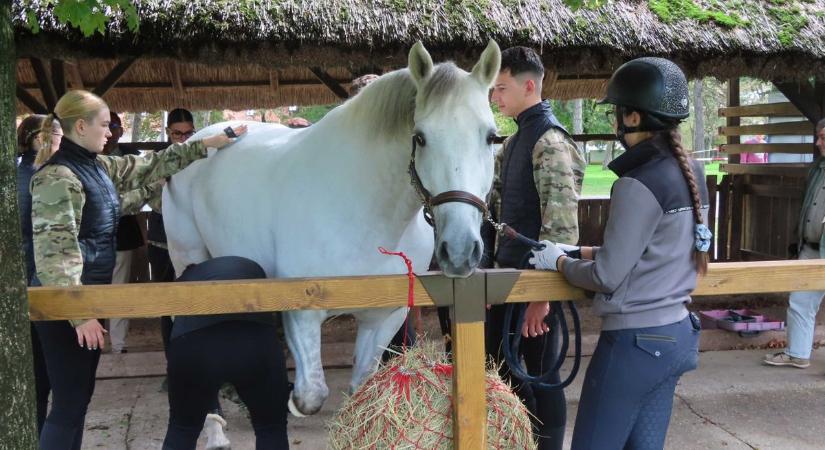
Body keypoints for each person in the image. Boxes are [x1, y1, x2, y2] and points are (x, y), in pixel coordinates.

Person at [30, 89, 247, 450]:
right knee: (68, 404)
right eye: (105, 125)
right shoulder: (57, 178)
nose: (110, 132)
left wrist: (209, 142)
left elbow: (149, 166)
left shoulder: (96, 166)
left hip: (84, 302)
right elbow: (56, 253)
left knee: (78, 402)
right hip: (65, 308)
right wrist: (79, 314)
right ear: (80, 126)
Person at [530, 57, 707, 449]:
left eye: (617, 112)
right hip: (676, 334)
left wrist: (558, 262)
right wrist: (578, 249)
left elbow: (607, 277)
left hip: (633, 344)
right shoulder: (693, 172)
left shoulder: (636, 184)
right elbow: (653, 250)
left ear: (631, 117)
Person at [486, 46, 585, 450]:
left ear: (530, 86)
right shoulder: (514, 142)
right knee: (501, 369)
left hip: (535, 286)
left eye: (502, 88)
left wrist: (542, 298)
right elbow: (497, 215)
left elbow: (561, 228)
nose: (495, 97)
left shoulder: (549, 140)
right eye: (493, 89)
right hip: (507, 281)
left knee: (542, 376)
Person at [162, 256, 290, 450]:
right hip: (254, 341)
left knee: (183, 428)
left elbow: (168, 334)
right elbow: (280, 319)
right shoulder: (254, 267)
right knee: (271, 428)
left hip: (195, 345)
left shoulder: (184, 279)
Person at [764, 118, 825, 369]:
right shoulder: (817, 169)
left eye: (823, 137)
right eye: (818, 136)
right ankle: (798, 353)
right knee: (800, 300)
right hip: (811, 248)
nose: (818, 142)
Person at [16, 114, 55, 433]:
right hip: (39, 288)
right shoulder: (43, 178)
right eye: (56, 133)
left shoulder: (15, 174)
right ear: (40, 139)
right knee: (41, 377)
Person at [103, 111, 145, 353]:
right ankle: (90, 342)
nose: (109, 132)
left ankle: (118, 344)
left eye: (114, 126)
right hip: (88, 241)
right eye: (104, 126)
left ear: (120, 130)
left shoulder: (133, 157)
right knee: (89, 292)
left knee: (120, 291)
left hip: (122, 236)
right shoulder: (81, 158)